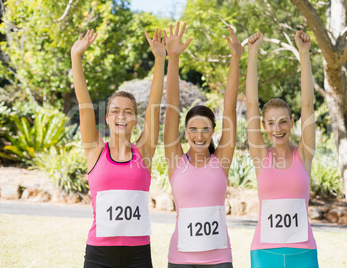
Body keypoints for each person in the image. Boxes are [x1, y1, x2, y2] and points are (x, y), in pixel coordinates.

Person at [71, 28, 166, 267]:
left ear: (135, 119)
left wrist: (160, 59)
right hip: (99, 254)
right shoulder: (95, 152)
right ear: (106, 117)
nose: (121, 116)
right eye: (115, 110)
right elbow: (84, 105)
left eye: (128, 111)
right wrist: (76, 57)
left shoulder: (143, 152)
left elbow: (153, 106)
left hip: (138, 254)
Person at [163, 22, 242, 268]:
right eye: (193, 129)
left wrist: (236, 58)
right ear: (185, 131)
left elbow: (229, 109)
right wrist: (173, 57)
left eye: (205, 128)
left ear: (213, 131)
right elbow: (172, 108)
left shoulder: (221, 161)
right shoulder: (176, 160)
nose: (199, 135)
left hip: (218, 259)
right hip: (180, 259)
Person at [246, 30, 319, 268]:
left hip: (303, 254)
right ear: (264, 126)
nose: (277, 128)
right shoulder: (260, 155)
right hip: (265, 254)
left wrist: (304, 54)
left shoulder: (304, 154)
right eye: (270, 123)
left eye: (283, 121)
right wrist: (253, 53)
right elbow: (250, 103)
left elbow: (308, 104)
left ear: (292, 122)